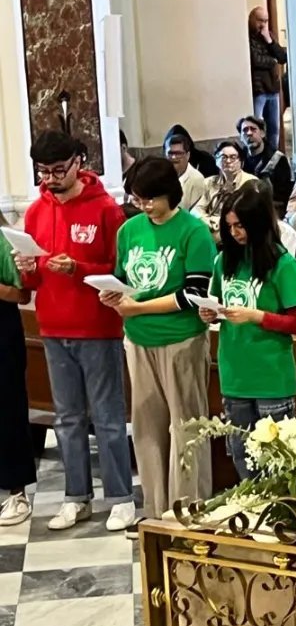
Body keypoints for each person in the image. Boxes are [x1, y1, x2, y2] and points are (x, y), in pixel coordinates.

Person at [17, 131, 133, 530]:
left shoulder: (106, 210)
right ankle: (76, 496)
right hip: (52, 327)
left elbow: (121, 273)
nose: (49, 178)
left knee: (107, 417)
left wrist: (79, 269)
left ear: (78, 162)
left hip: (97, 328)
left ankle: (120, 496)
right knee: (66, 419)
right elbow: (30, 284)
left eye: (57, 170)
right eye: (43, 171)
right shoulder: (35, 212)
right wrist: (28, 270)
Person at [99, 157, 216, 522]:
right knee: (146, 425)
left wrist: (139, 308)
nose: (144, 206)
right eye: (137, 199)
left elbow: (194, 293)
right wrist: (113, 296)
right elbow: (123, 279)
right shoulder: (130, 230)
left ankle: (188, 507)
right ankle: (154, 508)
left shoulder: (193, 231)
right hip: (138, 340)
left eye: (150, 198)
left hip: (181, 338)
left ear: (170, 193)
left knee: (187, 425)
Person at [200, 187, 296, 479]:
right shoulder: (224, 262)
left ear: (258, 223)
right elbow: (220, 306)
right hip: (235, 373)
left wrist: (257, 316)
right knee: (241, 456)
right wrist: (210, 312)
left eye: (241, 225)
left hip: (271, 375)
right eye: (230, 226)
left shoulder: (283, 264)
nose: (235, 233)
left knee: (277, 461)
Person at [0, 225, 33, 528]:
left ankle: (17, 493)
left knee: (8, 410)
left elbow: (22, 294)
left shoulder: (3, 239)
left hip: (2, 333)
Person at [248, 7, 287, 148]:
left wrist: (270, 41)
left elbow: (282, 57)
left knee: (274, 129)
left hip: (273, 89)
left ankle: (273, 160)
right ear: (252, 19)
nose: (263, 24)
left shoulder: (269, 36)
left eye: (266, 21)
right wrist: (273, 61)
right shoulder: (248, 37)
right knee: (255, 129)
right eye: (260, 20)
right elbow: (256, 60)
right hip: (259, 90)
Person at [238, 114, 292, 215]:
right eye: (245, 130)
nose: (249, 133)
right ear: (241, 137)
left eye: (253, 129)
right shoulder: (239, 159)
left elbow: (284, 196)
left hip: (271, 209)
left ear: (262, 133)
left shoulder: (278, 159)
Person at [198, 139, 257, 232]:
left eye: (233, 157)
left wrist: (220, 221)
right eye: (223, 157)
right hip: (209, 228)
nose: (228, 161)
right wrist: (206, 220)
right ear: (216, 159)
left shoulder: (251, 183)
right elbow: (196, 210)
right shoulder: (208, 182)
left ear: (241, 161)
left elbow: (249, 215)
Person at [163, 125, 210, 212]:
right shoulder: (160, 176)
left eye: (178, 153)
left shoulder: (196, 179)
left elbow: (194, 213)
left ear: (188, 155)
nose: (173, 157)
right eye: (170, 153)